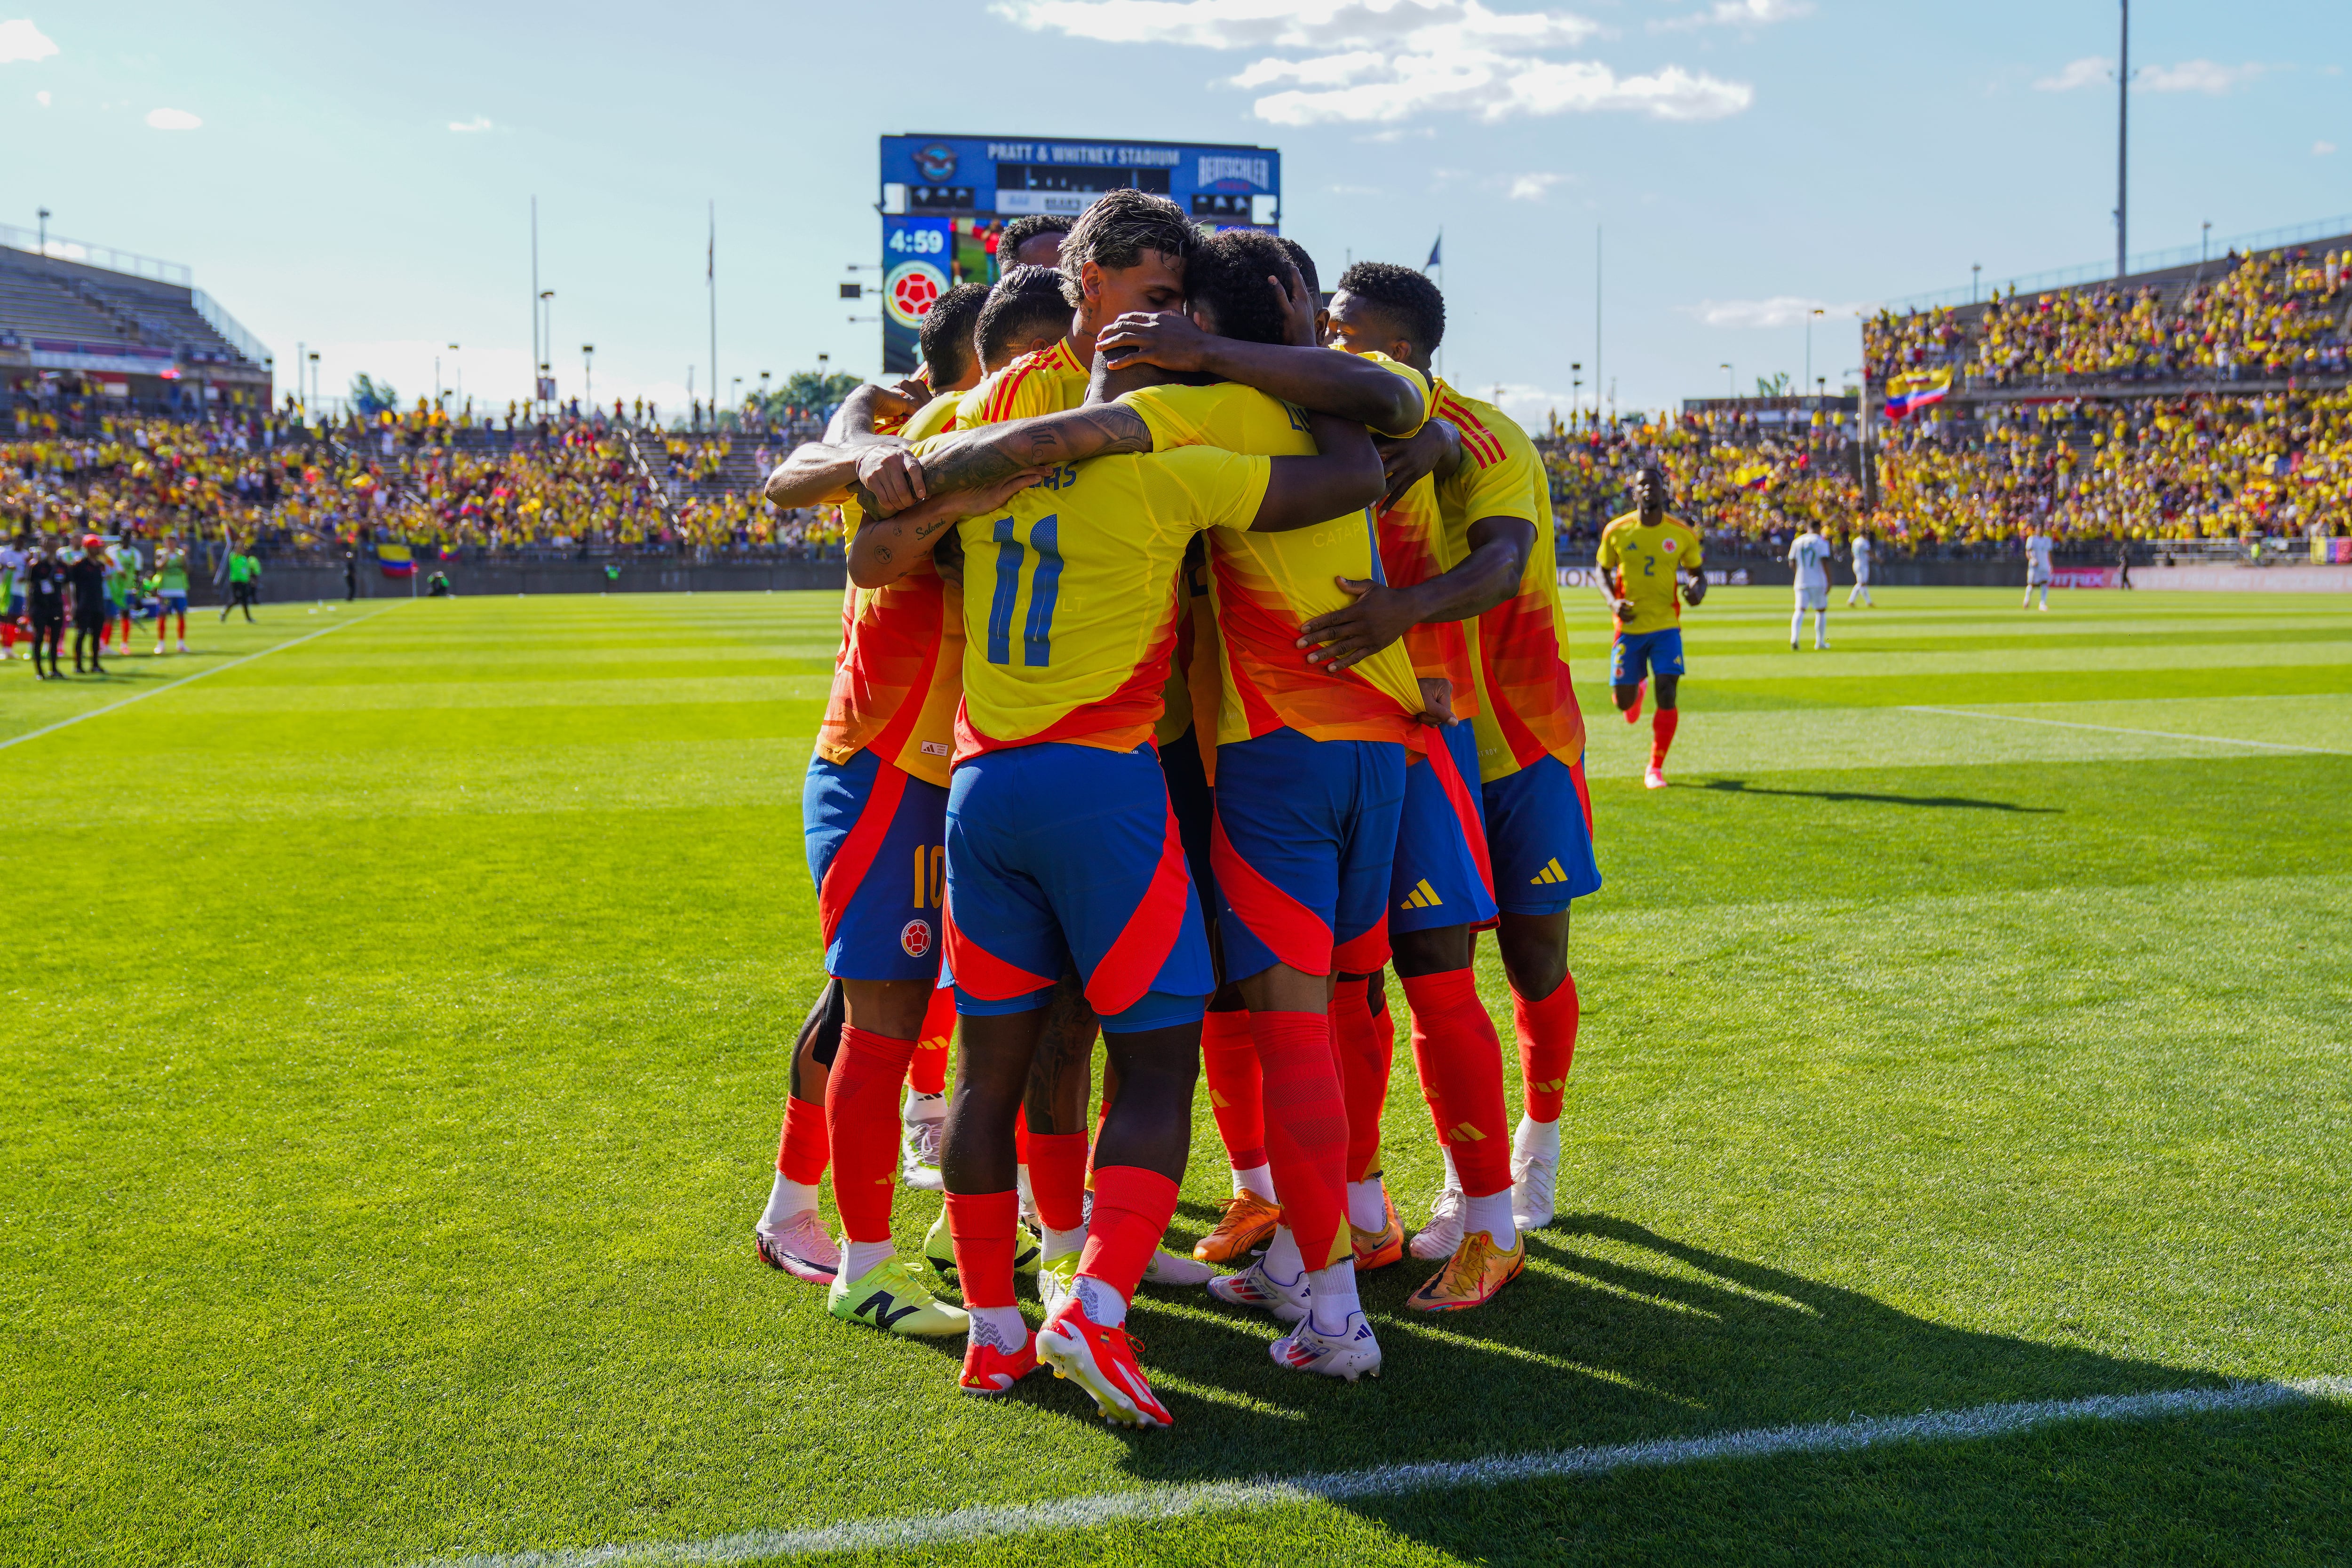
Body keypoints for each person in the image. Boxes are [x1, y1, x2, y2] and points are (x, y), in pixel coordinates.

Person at [917, 233, 1456, 1363]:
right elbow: (1389, 426)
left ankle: (1322, 1301)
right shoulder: (1349, 407)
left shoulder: (1186, 425)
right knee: (1355, 1004)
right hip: (1380, 748)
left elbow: (910, 517)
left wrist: (924, 464)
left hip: (1256, 752)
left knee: (1277, 1028)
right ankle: (1350, 1221)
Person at [848, 346, 1388, 1420]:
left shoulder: (971, 476)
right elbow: (1350, 478)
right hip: (1103, 788)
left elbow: (868, 553)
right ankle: (1093, 1301)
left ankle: (996, 1333)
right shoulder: (1165, 471)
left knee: (983, 1074)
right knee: (1153, 1063)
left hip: (979, 788)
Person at [1299, 260, 1595, 1301]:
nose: (1331, 347)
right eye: (1324, 328)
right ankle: (1415, 1198)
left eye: (1350, 332)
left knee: (1531, 954)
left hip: (1517, 734)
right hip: (1423, 736)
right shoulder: (1327, 435)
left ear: (1408, 350)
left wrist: (1395, 612)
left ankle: (1534, 1153)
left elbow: (1501, 567)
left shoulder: (1481, 435)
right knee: (1413, 960)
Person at [1596, 468, 1708, 789]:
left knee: (1669, 691)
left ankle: (1655, 769)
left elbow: (1697, 572)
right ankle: (1636, 689)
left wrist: (1697, 590)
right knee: (1624, 703)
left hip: (1665, 626)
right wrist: (1612, 603)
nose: (1649, 490)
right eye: (1642, 485)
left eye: (1654, 485)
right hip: (1629, 627)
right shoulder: (1617, 531)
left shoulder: (1682, 533)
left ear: (1663, 491)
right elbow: (1602, 570)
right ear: (1635, 493)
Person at [67, 534, 112, 675]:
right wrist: (73, 604)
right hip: (84, 604)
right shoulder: (79, 565)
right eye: (96, 547)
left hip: (98, 603)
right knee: (81, 634)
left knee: (96, 635)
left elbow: (113, 569)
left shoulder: (100, 565)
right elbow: (71, 585)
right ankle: (78, 664)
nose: (99, 549)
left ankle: (95, 663)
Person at [24, 539, 67, 679]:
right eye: (49, 544)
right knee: (39, 637)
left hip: (56, 607)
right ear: (44, 546)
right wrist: (28, 608)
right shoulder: (36, 566)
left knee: (55, 639)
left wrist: (70, 605)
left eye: (54, 544)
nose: (52, 547)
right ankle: (40, 671)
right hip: (40, 607)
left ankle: (54, 669)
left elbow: (68, 587)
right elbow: (29, 587)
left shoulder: (62, 566)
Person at [1787, 523, 1832, 651]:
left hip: (1801, 581)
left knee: (1800, 610)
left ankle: (1794, 638)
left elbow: (1792, 562)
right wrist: (1829, 581)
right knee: (1821, 611)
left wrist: (1800, 573)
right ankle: (1820, 643)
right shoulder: (1821, 542)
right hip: (1818, 581)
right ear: (1818, 529)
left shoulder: (1797, 541)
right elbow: (1825, 562)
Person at [153, 542, 191, 654]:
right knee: (162, 617)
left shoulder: (181, 555)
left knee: (181, 616)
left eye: (173, 541)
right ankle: (161, 644)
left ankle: (181, 644)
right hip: (166, 591)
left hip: (180, 591)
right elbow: (159, 567)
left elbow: (187, 570)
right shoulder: (161, 553)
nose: (171, 544)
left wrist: (184, 558)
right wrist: (166, 558)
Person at [109, 536, 141, 654]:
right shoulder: (112, 551)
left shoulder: (135, 553)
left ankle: (124, 644)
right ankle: (104, 644)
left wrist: (136, 587)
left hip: (127, 589)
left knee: (126, 615)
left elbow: (137, 572)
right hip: (113, 589)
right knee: (109, 616)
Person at [222, 544, 259, 621]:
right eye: (242, 549)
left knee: (244, 600)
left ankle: (248, 618)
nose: (243, 550)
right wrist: (241, 539)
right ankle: (224, 612)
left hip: (244, 582)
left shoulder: (244, 559)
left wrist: (251, 580)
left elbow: (246, 571)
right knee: (237, 600)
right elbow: (238, 548)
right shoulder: (234, 557)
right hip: (236, 582)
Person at [2024, 528, 2054, 610]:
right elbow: (2028, 552)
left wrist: (2050, 565)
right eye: (2038, 528)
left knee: (2045, 583)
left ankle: (2042, 603)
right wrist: (2032, 559)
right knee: (2032, 584)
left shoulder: (2047, 540)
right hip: (2035, 566)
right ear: (2036, 530)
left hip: (2044, 565)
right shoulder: (2032, 539)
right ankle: (2027, 600)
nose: (2040, 530)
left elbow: (2048, 553)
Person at [1847, 532, 1875, 607]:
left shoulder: (1855, 541)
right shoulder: (1864, 542)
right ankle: (1851, 600)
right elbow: (1868, 552)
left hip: (1856, 562)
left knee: (1862, 583)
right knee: (1862, 583)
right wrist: (1877, 559)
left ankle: (1868, 602)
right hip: (1863, 564)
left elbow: (1852, 553)